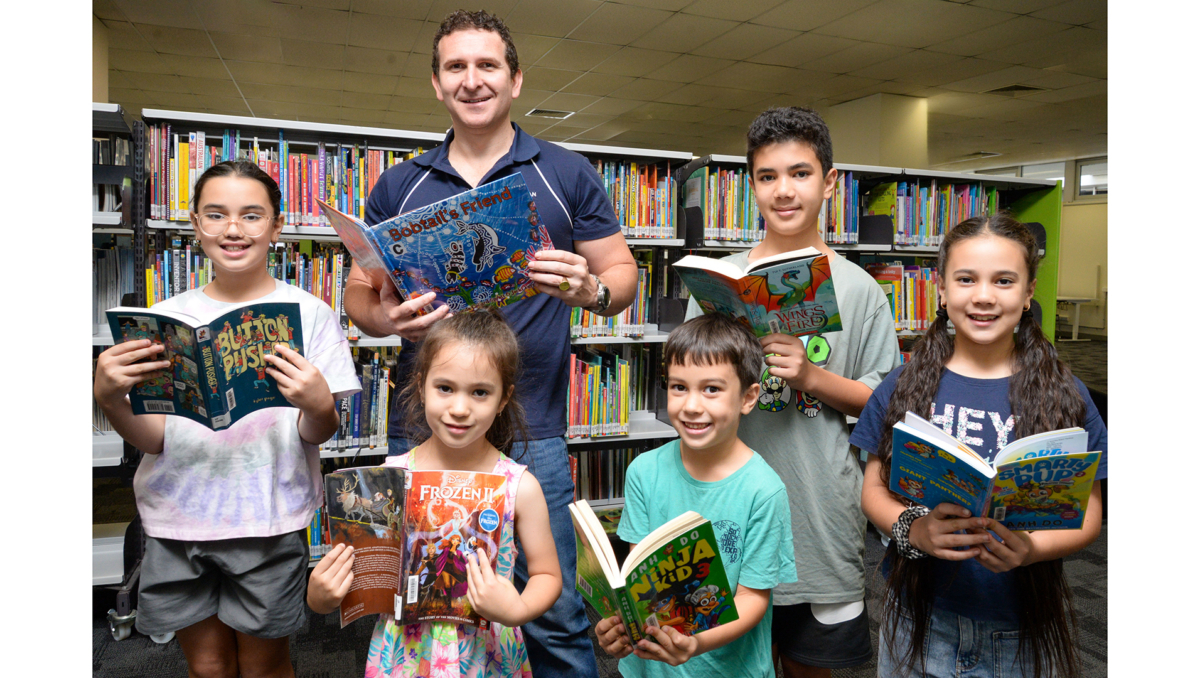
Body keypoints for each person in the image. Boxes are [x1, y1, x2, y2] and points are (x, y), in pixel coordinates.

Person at [341, 10, 636, 677]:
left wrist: (589, 289)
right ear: (438, 85)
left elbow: (623, 279)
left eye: (487, 66)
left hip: (536, 424)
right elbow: (360, 297)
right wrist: (388, 321)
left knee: (554, 612)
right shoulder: (401, 183)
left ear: (514, 78)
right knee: (412, 596)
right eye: (456, 67)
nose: (472, 80)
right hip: (427, 424)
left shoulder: (565, 172)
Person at [93, 161, 360, 678]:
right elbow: (155, 439)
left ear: (277, 226)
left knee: (264, 665)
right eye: (216, 215)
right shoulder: (165, 318)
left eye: (251, 215)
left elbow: (318, 432)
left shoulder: (310, 314)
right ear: (196, 224)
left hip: (268, 515)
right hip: (177, 516)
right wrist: (110, 401)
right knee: (208, 666)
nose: (233, 229)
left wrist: (316, 401)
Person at [684, 106, 901, 677]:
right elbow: (687, 394)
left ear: (830, 183)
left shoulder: (860, 292)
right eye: (768, 176)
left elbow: (887, 406)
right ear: (750, 185)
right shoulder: (712, 286)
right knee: (723, 662)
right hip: (725, 512)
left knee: (811, 666)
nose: (784, 190)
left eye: (801, 173)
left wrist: (811, 377)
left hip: (819, 519)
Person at [855, 214, 1107, 678]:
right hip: (916, 617)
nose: (985, 296)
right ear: (942, 289)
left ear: (1029, 291)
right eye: (966, 279)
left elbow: (1089, 515)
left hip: (1020, 624)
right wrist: (915, 530)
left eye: (1004, 280)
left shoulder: (1065, 393)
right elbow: (873, 490)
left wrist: (1032, 549)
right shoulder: (903, 384)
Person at [307, 310, 563, 678]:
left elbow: (547, 576)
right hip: (405, 656)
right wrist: (322, 594)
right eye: (445, 388)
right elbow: (341, 590)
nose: (459, 409)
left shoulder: (519, 485)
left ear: (503, 399)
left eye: (480, 392)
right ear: (421, 384)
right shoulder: (389, 479)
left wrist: (518, 611)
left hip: (485, 653)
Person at [594, 313, 797, 678]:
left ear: (749, 397)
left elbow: (753, 598)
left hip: (728, 669)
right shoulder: (644, 470)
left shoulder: (764, 491)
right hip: (649, 667)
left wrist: (696, 644)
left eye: (712, 389)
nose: (690, 405)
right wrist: (617, 625)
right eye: (678, 387)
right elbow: (636, 573)